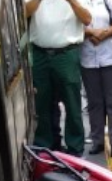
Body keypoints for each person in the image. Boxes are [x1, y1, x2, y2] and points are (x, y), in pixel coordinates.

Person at [25, 0, 92, 156]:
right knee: (42, 103)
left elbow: (87, 19)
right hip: (40, 53)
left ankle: (75, 149)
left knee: (72, 103)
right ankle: (45, 147)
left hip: (66, 54)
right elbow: (24, 13)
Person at [81, 0, 112, 158]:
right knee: (94, 102)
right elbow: (71, 26)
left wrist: (103, 34)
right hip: (87, 58)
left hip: (110, 56)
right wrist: (91, 34)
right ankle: (97, 140)